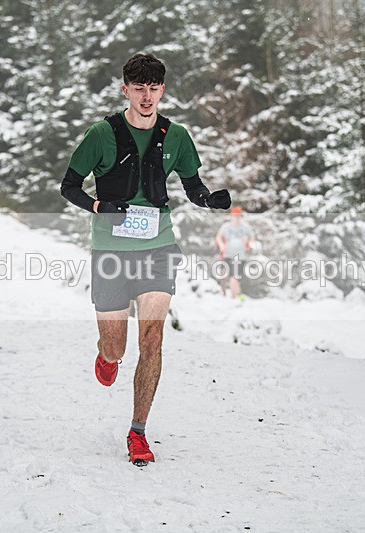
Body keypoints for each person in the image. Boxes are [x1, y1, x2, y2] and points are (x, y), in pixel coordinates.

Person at [60, 53, 231, 466]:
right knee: (117, 347)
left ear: (162, 90)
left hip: (158, 247)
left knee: (152, 341)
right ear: (126, 90)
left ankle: (138, 432)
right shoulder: (101, 134)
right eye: (139, 88)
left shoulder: (176, 136)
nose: (147, 96)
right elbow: (69, 186)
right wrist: (99, 205)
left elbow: (192, 184)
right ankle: (106, 355)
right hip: (111, 252)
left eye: (154, 88)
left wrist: (210, 199)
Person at [215, 206, 252, 300]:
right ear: (231, 216)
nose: (236, 218)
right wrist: (222, 245)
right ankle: (233, 297)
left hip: (241, 256)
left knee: (236, 278)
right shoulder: (226, 226)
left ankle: (237, 296)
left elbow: (252, 238)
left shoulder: (245, 227)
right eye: (235, 216)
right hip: (228, 254)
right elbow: (218, 237)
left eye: (238, 216)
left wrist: (248, 241)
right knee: (231, 276)